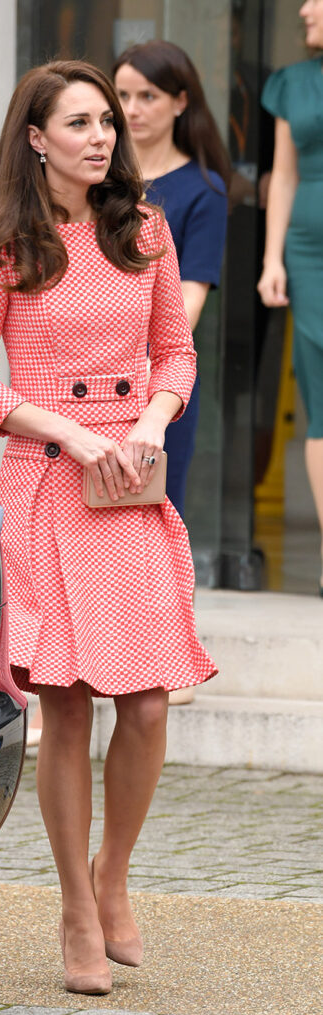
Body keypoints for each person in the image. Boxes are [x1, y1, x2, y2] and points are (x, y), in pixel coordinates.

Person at [0, 59, 216, 996]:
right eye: (80, 123)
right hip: (49, 480)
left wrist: (148, 420)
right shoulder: (1, 240)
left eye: (108, 119)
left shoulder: (141, 227)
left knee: (144, 702)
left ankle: (113, 874)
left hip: (129, 483)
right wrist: (65, 428)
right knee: (64, 702)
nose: (103, 135)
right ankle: (72, 906)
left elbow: (175, 351)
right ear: (36, 138)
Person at [113, 41, 229, 521]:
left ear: (181, 101)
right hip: (82, 374)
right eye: (121, 95)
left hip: (157, 379)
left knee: (152, 512)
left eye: (148, 96)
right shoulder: (96, 178)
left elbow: (190, 300)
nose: (131, 110)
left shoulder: (203, 189)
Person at [257, 0, 323, 595]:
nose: (303, 9)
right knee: (320, 401)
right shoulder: (291, 83)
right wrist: (273, 257)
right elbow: (285, 175)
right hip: (308, 253)